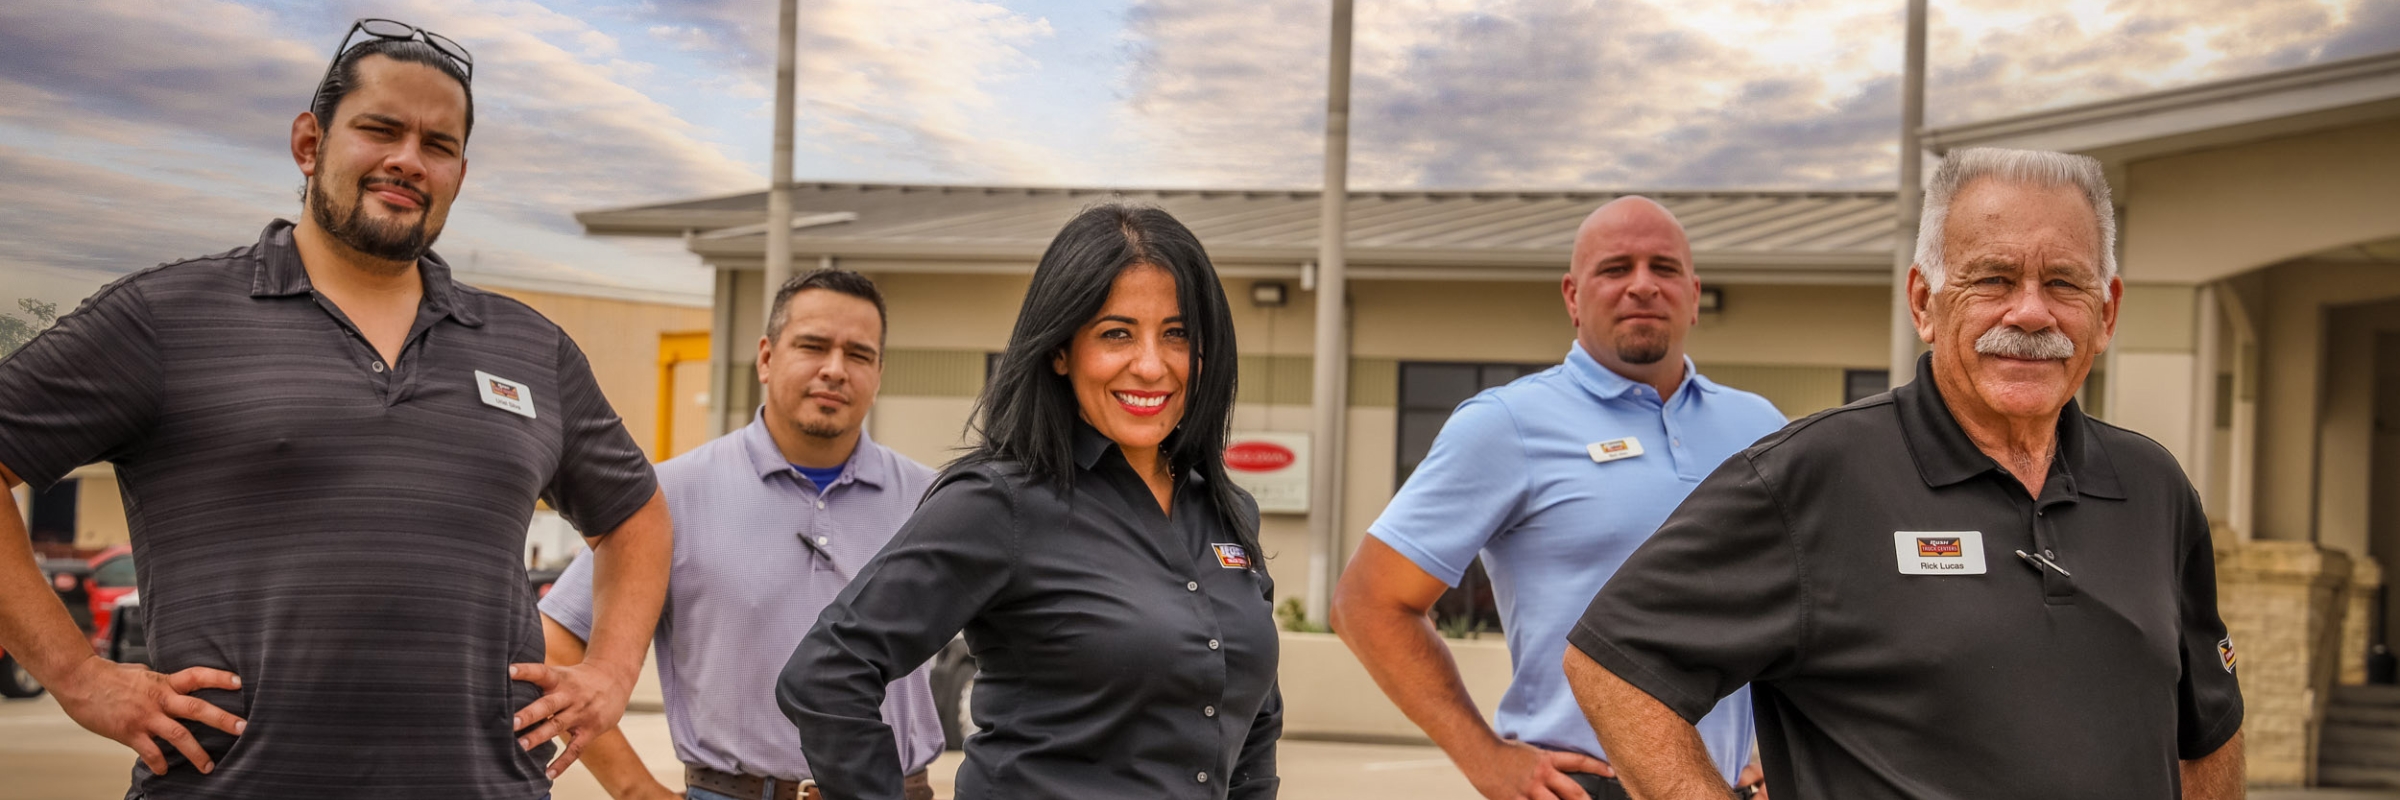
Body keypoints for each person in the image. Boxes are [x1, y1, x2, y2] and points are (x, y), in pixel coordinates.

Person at [0, 19, 671, 799]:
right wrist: (77, 674)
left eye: (438, 144)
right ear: (310, 143)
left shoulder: (531, 348)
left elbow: (637, 518)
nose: (407, 161)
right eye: (380, 130)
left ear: (458, 171)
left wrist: (612, 673)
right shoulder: (166, 318)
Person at [1562, 148, 2246, 799]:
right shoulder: (1811, 478)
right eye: (1994, 279)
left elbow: (2209, 726)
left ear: (2108, 311)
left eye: (2064, 282)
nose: (2032, 313)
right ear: (1923, 302)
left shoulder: (2154, 487)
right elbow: (1614, 666)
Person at [780, 204, 1280, 799]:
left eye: (1177, 334)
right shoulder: (1000, 504)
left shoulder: (1228, 513)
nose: (1150, 365)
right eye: (1116, 333)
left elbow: (1255, 726)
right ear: (1061, 350)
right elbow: (827, 673)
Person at [1330, 197, 1780, 800]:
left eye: (1664, 268)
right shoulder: (1507, 425)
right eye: (1615, 268)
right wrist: (1483, 756)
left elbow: (1807, 606)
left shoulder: (1762, 429)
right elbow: (1367, 603)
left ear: (1694, 295)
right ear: (1572, 296)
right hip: (1584, 787)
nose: (1642, 286)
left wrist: (1786, 752)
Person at [539, 269, 944, 800]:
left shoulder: (934, 501)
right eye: (813, 346)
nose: (835, 369)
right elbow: (556, 644)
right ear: (767, 358)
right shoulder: (668, 495)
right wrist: (634, 788)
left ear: (879, 372)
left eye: (859, 355)